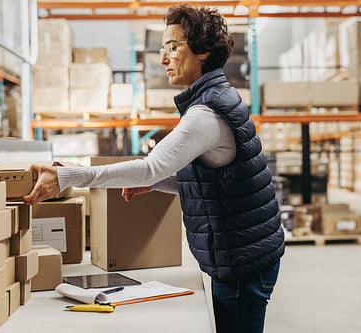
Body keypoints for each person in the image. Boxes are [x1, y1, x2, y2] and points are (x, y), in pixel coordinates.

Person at [23, 4, 284, 332]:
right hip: (242, 251)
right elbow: (212, 179)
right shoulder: (216, 99)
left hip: (244, 258)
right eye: (164, 48)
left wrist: (66, 176)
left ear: (202, 51)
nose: (164, 59)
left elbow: (150, 167)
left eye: (173, 47)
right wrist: (157, 184)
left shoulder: (206, 113)